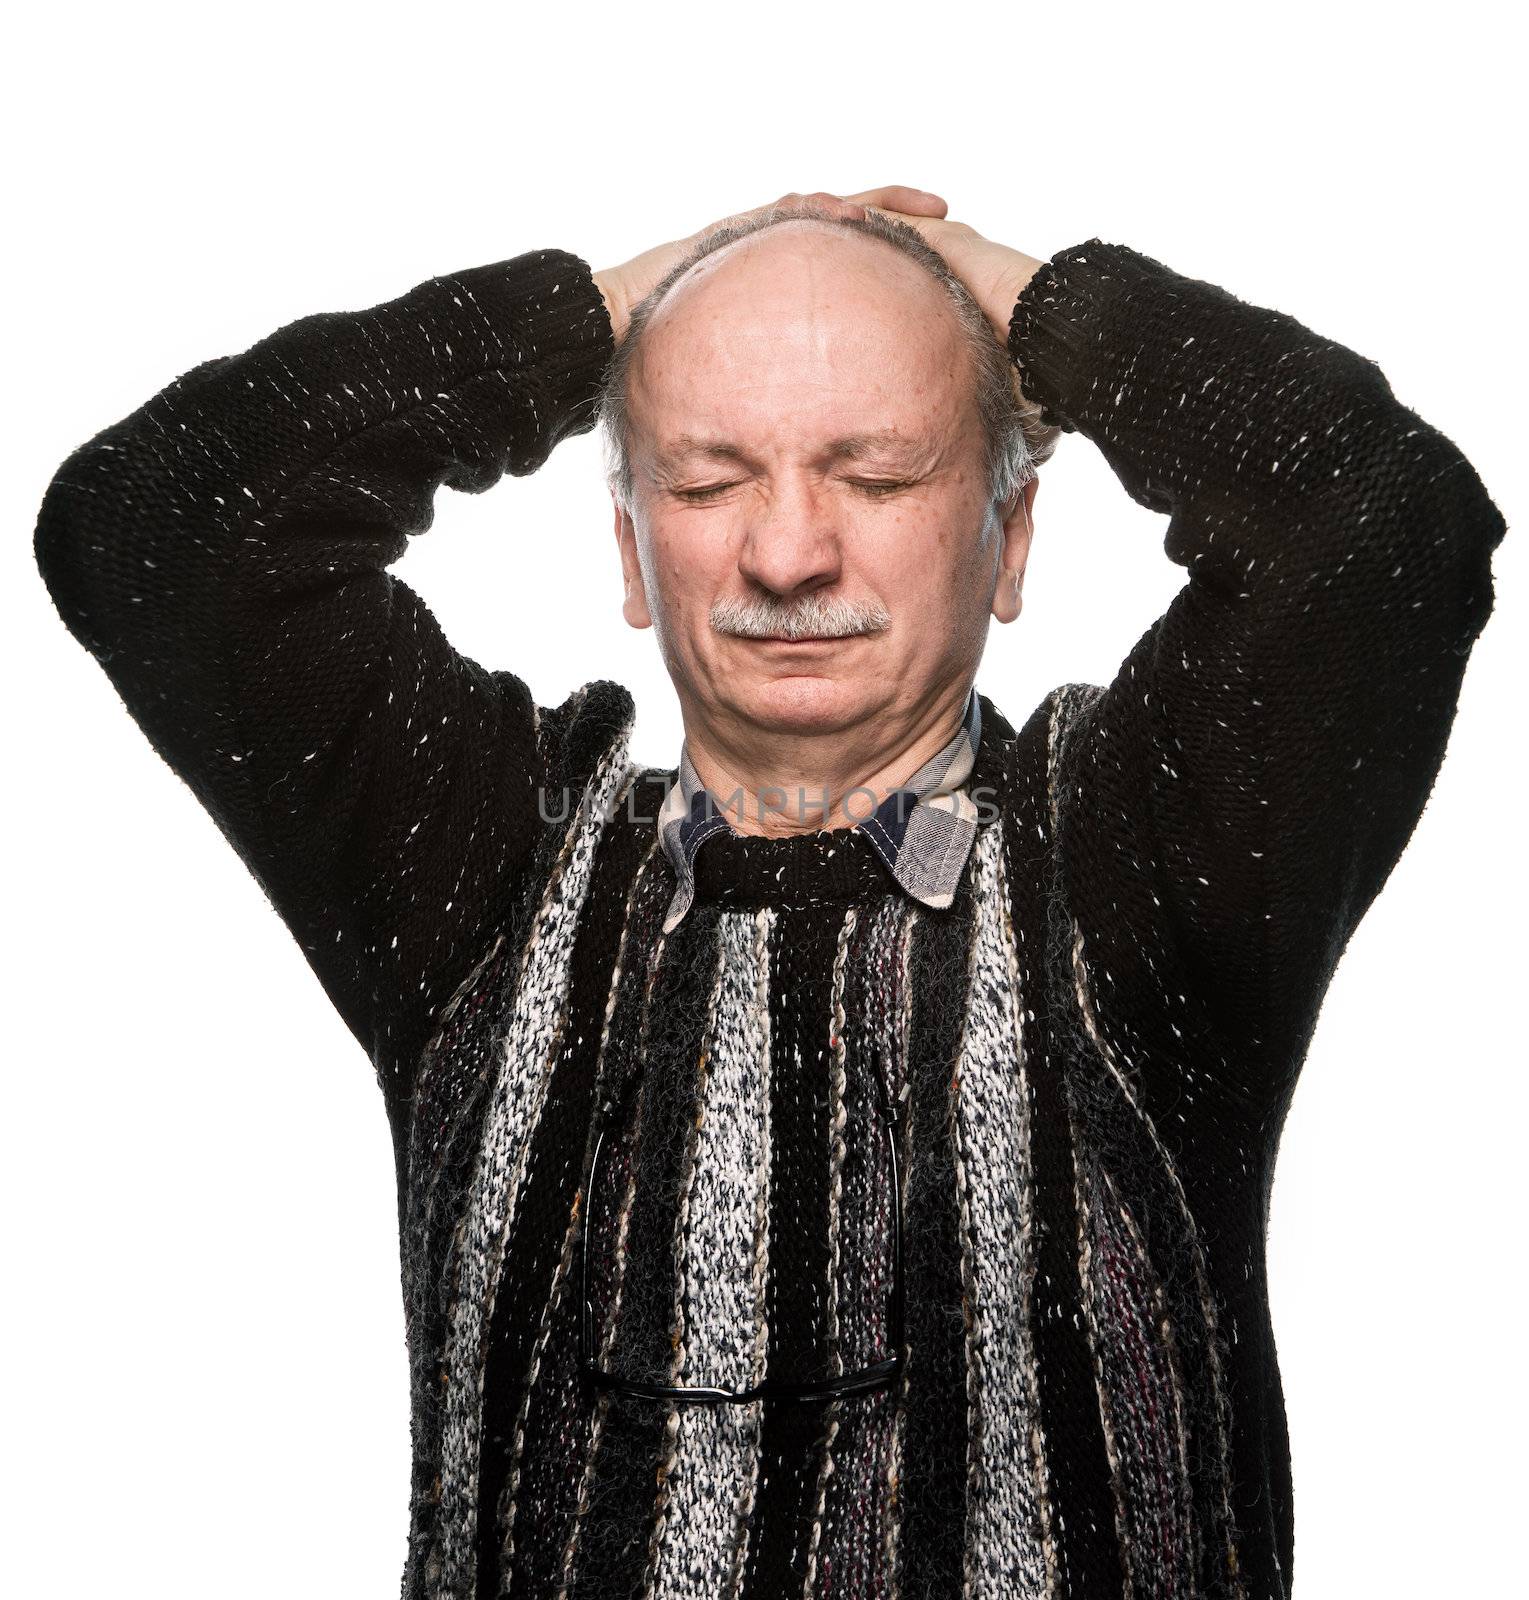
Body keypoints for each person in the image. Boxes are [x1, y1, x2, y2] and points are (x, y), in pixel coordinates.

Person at [32, 184, 1506, 1599]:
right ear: (629, 548)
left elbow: (1381, 527)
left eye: (875, 474)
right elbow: (158, 527)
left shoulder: (1139, 866)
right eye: (704, 477)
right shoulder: (480, 875)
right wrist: (600, 317)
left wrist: (1030, 308)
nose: (787, 552)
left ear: (1010, 542)